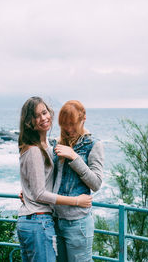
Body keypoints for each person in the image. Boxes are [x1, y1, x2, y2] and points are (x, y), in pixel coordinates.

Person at [16, 96, 92, 262]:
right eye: (37, 116)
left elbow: (37, 184)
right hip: (38, 221)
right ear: (29, 122)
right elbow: (40, 194)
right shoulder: (35, 150)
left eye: (44, 112)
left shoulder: (46, 147)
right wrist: (76, 201)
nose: (43, 118)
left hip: (32, 221)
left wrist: (27, 191)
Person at [51, 100, 104, 262]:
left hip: (77, 224)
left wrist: (74, 157)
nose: (68, 129)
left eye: (72, 124)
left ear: (83, 119)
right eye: (64, 124)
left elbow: (96, 183)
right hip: (55, 220)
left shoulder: (94, 145)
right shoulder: (57, 143)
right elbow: (50, 178)